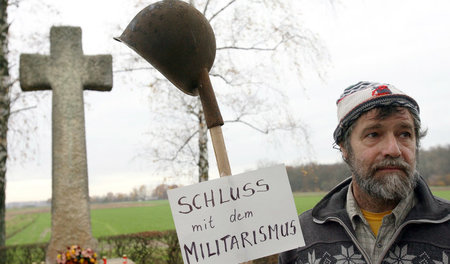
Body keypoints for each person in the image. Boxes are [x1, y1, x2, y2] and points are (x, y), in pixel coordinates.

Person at [279, 81, 450, 264]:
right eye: (373, 134)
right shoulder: (303, 237)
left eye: (405, 134)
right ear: (344, 147)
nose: (393, 150)